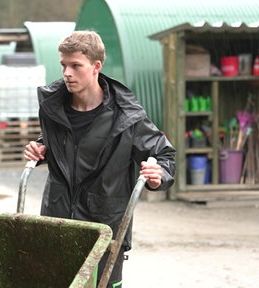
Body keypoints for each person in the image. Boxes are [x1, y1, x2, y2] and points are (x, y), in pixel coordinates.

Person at [23, 30, 176, 287]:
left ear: (96, 66)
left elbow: (164, 155)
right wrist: (40, 147)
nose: (67, 73)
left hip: (105, 228)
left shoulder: (127, 117)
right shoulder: (52, 107)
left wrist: (157, 174)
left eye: (75, 66)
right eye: (64, 65)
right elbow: (61, 144)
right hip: (58, 221)